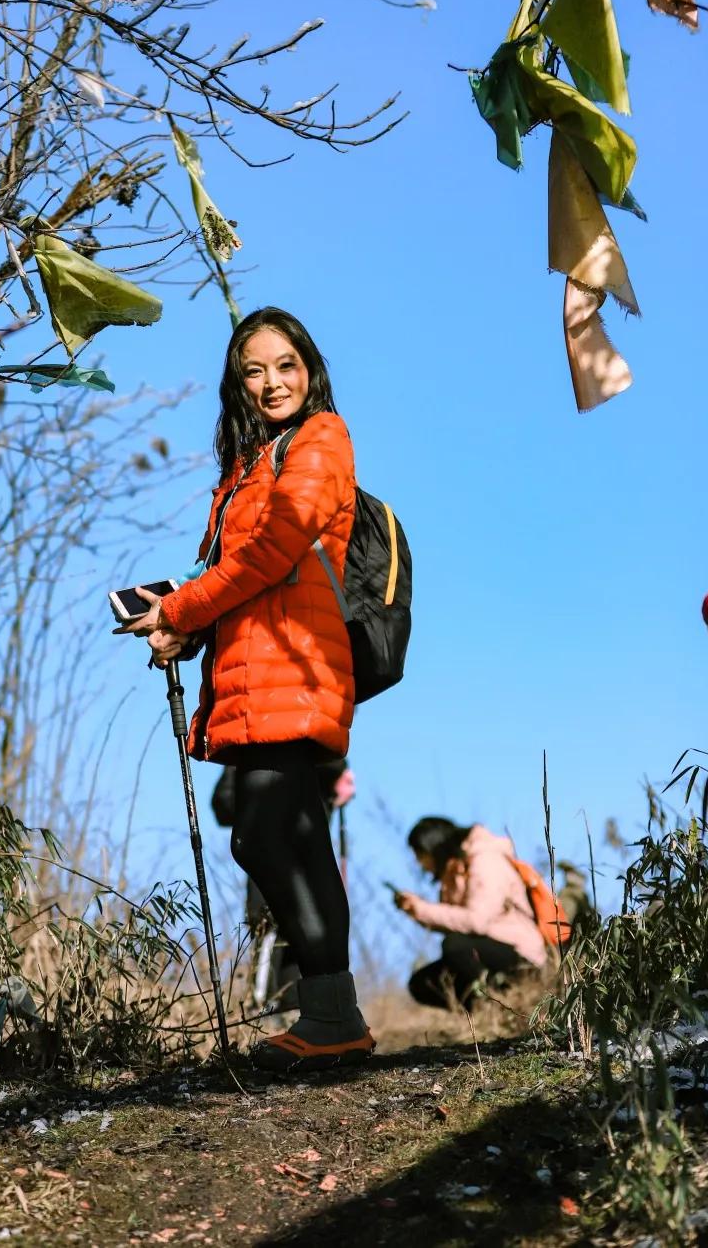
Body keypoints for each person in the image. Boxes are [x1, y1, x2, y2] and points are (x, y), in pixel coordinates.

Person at [120, 306, 373, 1070]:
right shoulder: (246, 467)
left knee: (270, 828)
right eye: (253, 371)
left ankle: (332, 1014)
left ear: (310, 367)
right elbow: (241, 576)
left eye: (285, 365)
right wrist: (184, 628)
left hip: (297, 667)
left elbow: (274, 552)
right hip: (255, 669)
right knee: (277, 831)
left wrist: (183, 605)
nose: (271, 383)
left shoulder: (322, 438)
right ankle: (332, 1016)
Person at [211, 758, 355, 1015]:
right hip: (288, 846)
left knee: (281, 926)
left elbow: (224, 804)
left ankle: (281, 1007)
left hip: (286, 847)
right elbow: (224, 804)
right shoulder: (322, 754)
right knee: (274, 924)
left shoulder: (323, 759)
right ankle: (273, 1006)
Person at [395, 816, 548, 1011]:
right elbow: (456, 922)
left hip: (522, 955)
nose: (420, 863)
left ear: (433, 847)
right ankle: (480, 1013)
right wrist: (415, 911)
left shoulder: (486, 861)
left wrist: (423, 908)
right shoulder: (454, 870)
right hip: (486, 951)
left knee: (454, 945)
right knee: (422, 983)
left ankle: (500, 1005)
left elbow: (476, 921)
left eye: (420, 855)